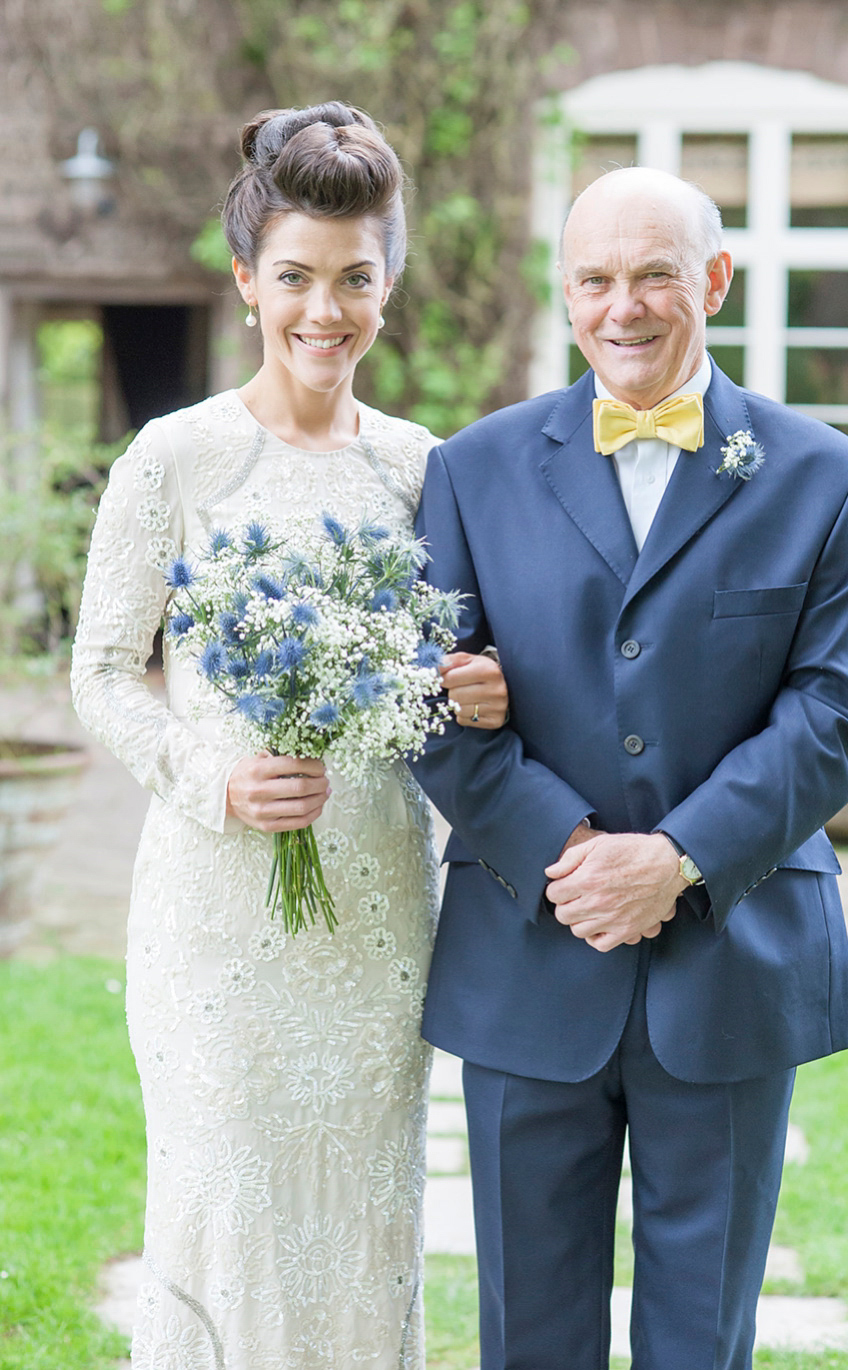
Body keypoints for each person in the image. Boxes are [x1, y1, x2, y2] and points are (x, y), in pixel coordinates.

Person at [411, 166, 848, 1369]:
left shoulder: (826, 477)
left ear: (713, 281)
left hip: (733, 962)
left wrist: (675, 859)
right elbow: (428, 705)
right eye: (595, 279)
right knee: (529, 1334)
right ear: (566, 294)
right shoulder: (471, 469)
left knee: (700, 1337)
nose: (624, 306)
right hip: (529, 946)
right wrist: (571, 851)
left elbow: (835, 713)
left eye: (655, 273)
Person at [71, 102, 507, 1370]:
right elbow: (102, 668)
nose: (327, 311)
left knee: (363, 1216)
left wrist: (471, 688)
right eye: (297, 277)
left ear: (390, 281)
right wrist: (209, 772)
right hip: (216, 913)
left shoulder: (427, 468)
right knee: (225, 1201)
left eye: (356, 278)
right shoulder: (177, 458)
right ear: (246, 280)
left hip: (377, 900)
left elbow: (444, 668)